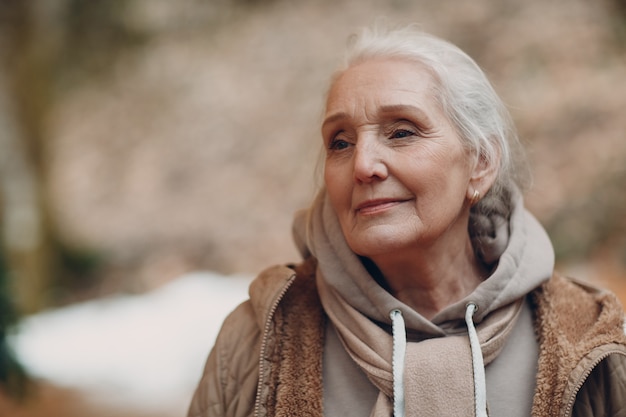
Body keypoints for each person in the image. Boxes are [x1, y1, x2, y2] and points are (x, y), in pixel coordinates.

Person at [188, 25, 626, 417]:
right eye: (340, 142)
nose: (363, 165)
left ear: (481, 162)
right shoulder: (260, 337)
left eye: (401, 132)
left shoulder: (593, 338)